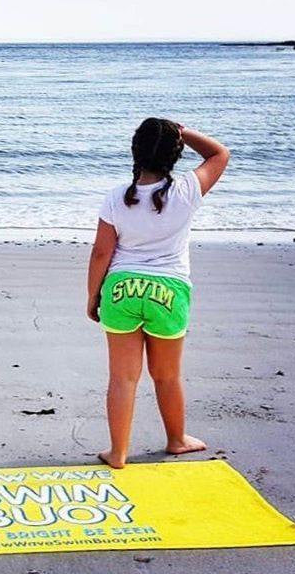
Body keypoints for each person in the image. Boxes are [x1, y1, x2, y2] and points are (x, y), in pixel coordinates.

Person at [86, 118, 229, 468]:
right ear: (175, 155)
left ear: (135, 152)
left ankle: (118, 452)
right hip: (169, 289)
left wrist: (93, 296)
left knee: (122, 377)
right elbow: (219, 154)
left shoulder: (117, 197)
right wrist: (185, 132)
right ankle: (177, 439)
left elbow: (102, 253)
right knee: (166, 375)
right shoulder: (187, 190)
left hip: (122, 288)